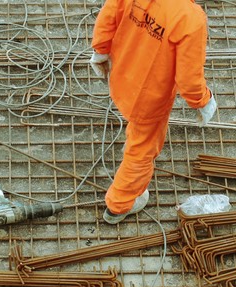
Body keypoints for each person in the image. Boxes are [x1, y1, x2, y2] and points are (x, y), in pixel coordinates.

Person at [90, 0, 218, 224]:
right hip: (148, 97)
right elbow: (188, 80)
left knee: (136, 128)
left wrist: (101, 50)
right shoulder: (190, 18)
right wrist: (203, 101)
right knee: (142, 149)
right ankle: (120, 204)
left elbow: (108, 16)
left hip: (121, 75)